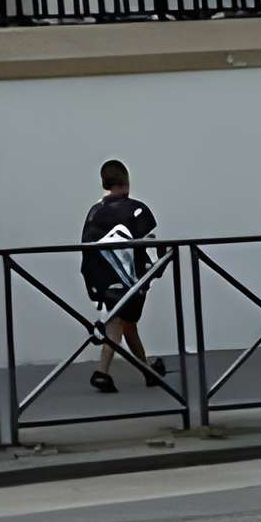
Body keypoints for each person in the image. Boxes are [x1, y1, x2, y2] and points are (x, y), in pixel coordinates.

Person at [79, 158, 169, 395]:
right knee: (119, 326)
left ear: (104, 183)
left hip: (102, 279)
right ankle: (104, 372)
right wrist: (161, 260)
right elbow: (152, 241)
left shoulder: (94, 212)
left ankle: (145, 370)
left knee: (125, 326)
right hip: (131, 280)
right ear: (127, 181)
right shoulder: (136, 209)